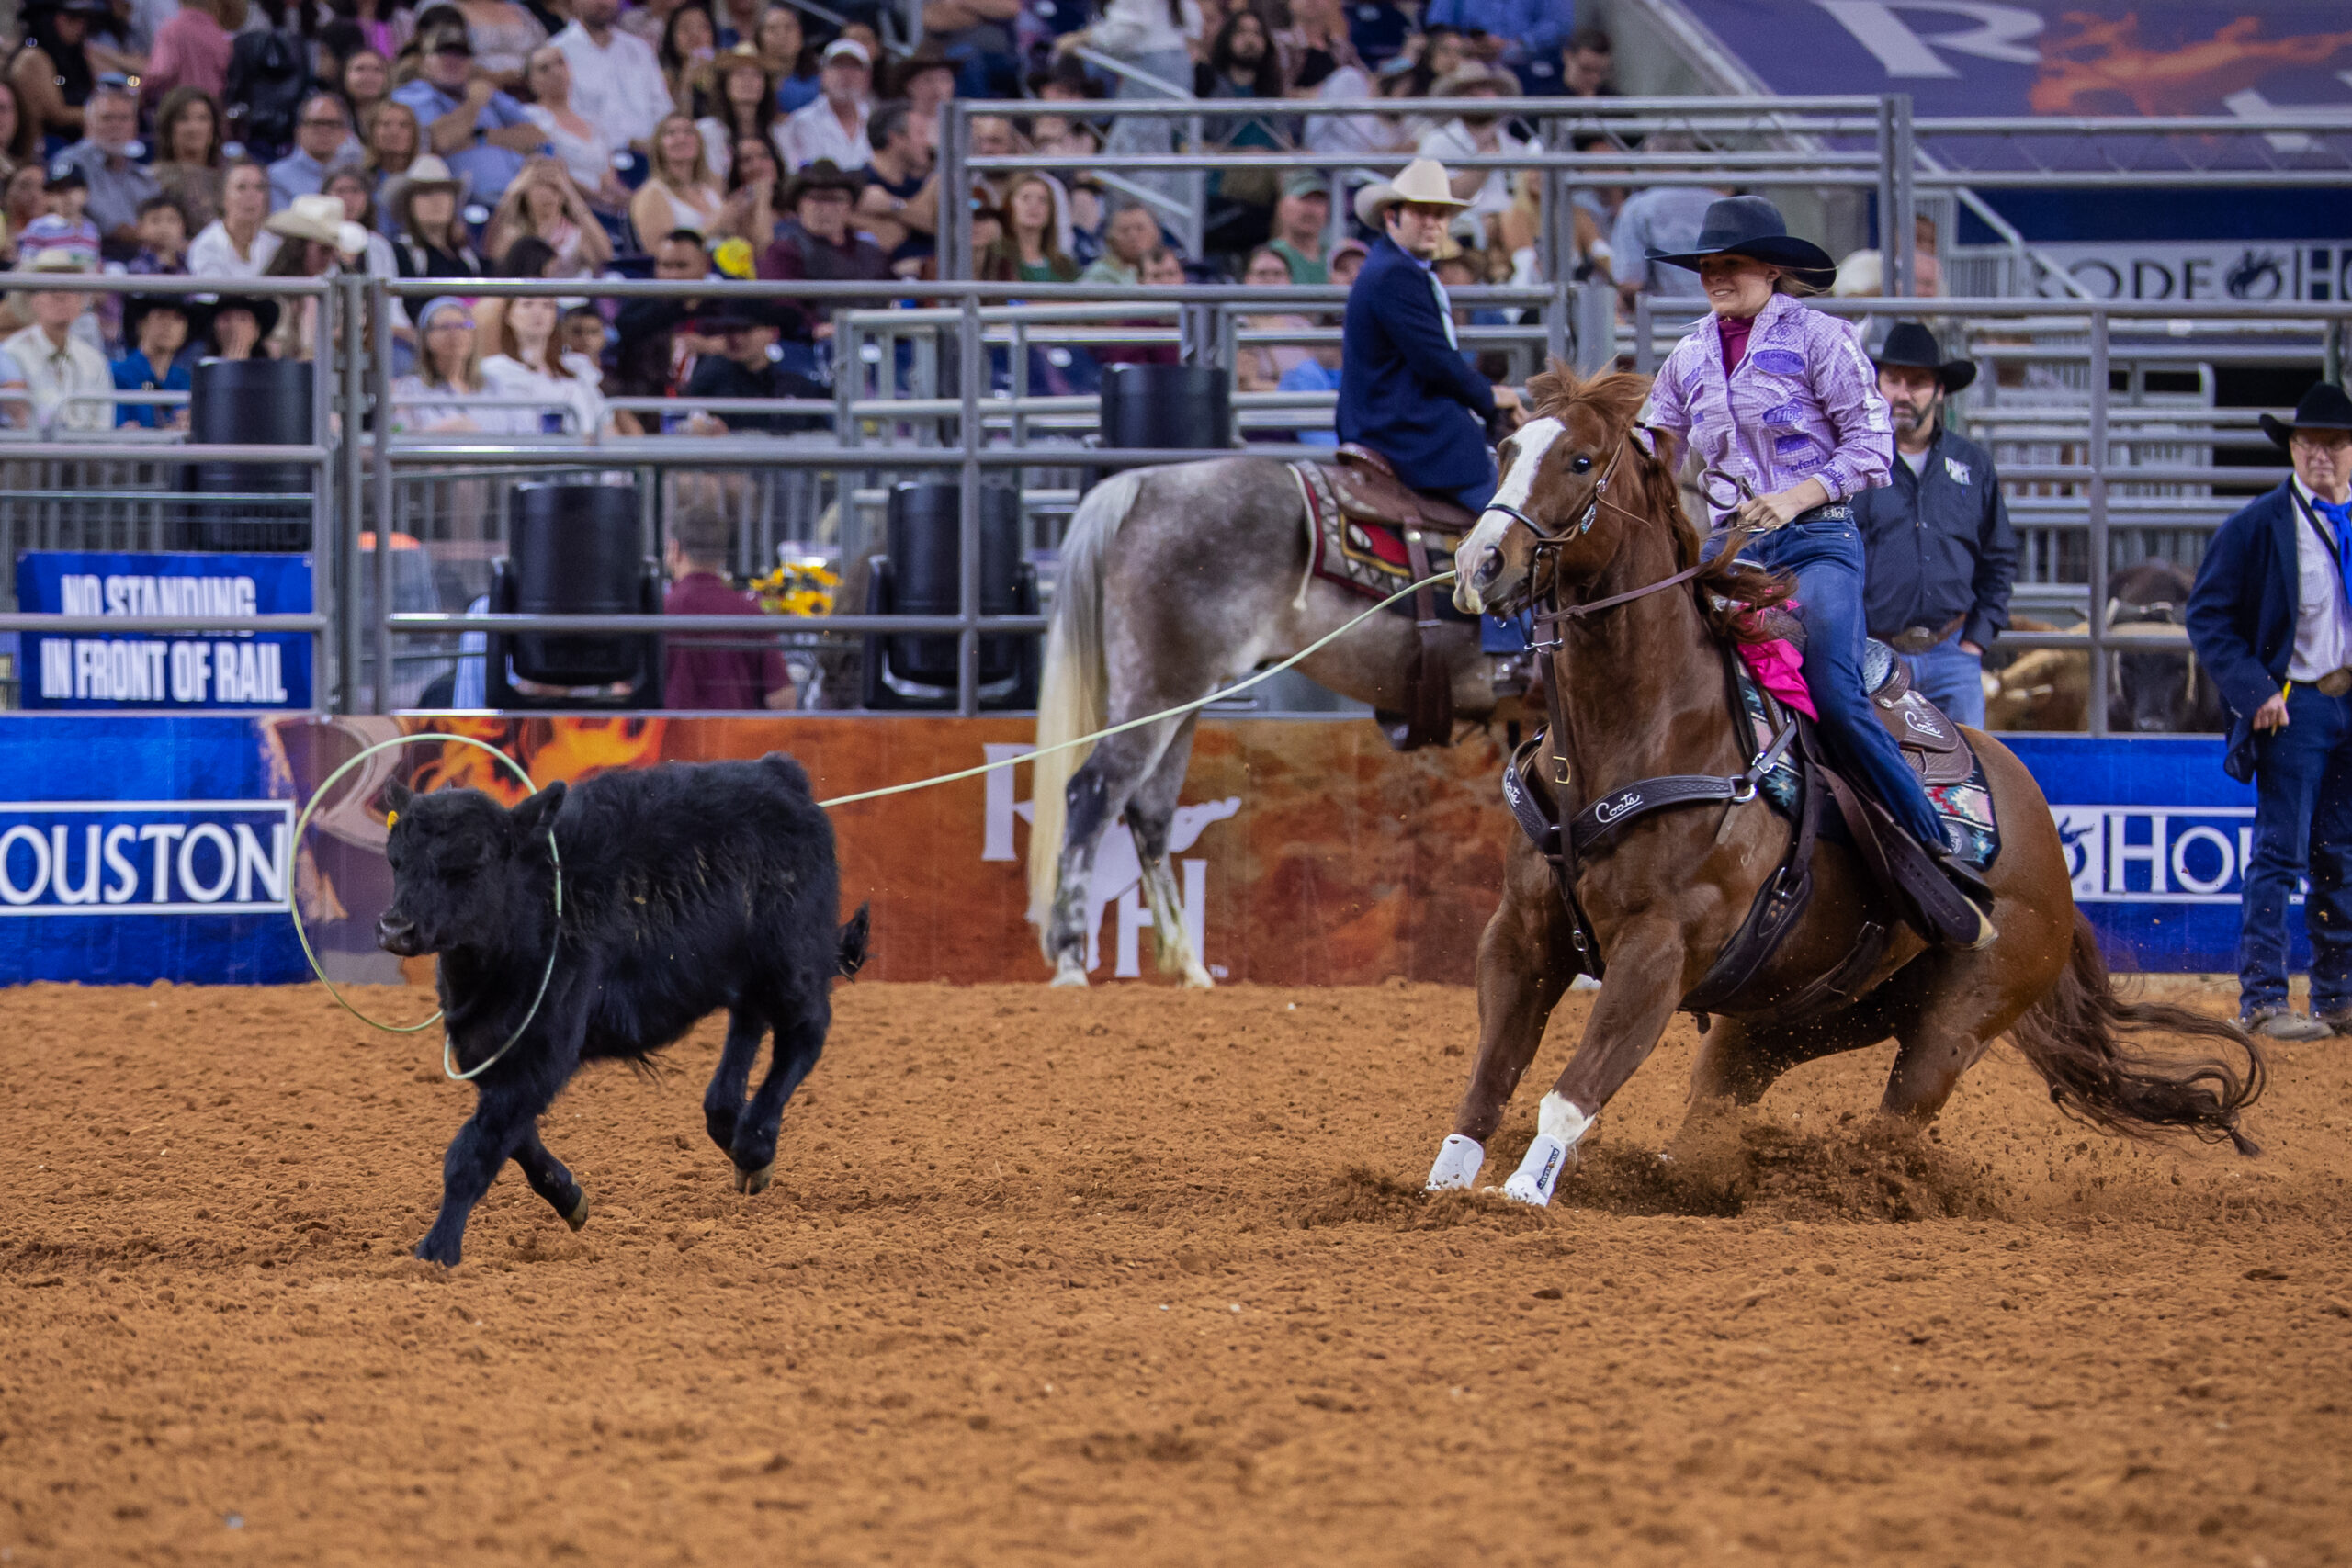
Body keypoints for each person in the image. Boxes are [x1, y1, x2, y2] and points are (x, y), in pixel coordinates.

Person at [1639, 194, 1994, 947]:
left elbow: (1873, 447)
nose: (1713, 276)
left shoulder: (1822, 339)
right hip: (1728, 547)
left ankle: (1936, 848)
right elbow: (1651, 448)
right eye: (1706, 265)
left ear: (1772, 270)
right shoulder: (1689, 353)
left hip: (1816, 541)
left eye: (1728, 264)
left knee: (1834, 686)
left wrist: (1793, 496)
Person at [2186, 382, 2352, 1040]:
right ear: (2292, 447)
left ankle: (2337, 994)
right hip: (2296, 703)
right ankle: (2262, 998)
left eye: (2336, 444)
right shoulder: (2260, 525)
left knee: (2341, 852)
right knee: (2282, 853)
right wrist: (2255, 692)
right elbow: (2208, 614)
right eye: (2310, 443)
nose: (2322, 455)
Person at [1856, 321, 2016, 730]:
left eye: (1918, 382)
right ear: (1878, 385)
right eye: (1893, 379)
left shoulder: (1974, 464)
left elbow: (1999, 557)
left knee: (1970, 782)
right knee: (1871, 777)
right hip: (1875, 650)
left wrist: (1974, 641)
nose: (1903, 393)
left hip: (1953, 652)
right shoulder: (1854, 464)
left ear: (1940, 390)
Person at [1337, 158, 1498, 513]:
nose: (1432, 223)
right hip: (1402, 429)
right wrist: (1492, 399)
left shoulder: (1393, 267)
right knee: (1508, 513)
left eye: (1440, 214)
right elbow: (1436, 362)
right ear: (1392, 216)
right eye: (1421, 212)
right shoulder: (1396, 274)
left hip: (1391, 419)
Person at [390, 15, 538, 207]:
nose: (453, 60)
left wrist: (480, 137)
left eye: (462, 53)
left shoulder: (490, 94)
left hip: (514, 199)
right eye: (443, 52)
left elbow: (537, 137)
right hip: (462, 205)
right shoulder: (413, 95)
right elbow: (437, 140)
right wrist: (474, 104)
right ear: (424, 61)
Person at [662, 503, 795, 710]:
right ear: (722, 555)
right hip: (736, 739)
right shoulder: (750, 615)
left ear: (675, 549)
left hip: (668, 739)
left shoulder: (659, 613)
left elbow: (625, 692)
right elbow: (782, 700)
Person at [757, 160, 888, 344]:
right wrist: (814, 328)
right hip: (812, 347)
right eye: (816, 198)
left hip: (875, 341)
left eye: (835, 199)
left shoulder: (871, 252)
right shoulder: (784, 251)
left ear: (849, 206)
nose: (825, 208)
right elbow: (782, 303)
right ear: (799, 204)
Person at [1609, 143, 1728, 310]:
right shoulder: (1723, 205)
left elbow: (1630, 283)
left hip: (1662, 327)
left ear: (1650, 160)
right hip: (1721, 324)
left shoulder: (1637, 208)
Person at [1416, 62, 1534, 230]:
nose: (1477, 94)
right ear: (1455, 98)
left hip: (1516, 227)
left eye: (1485, 88)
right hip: (1460, 232)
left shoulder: (1515, 147)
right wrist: (1484, 162)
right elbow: (1439, 202)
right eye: (1468, 90)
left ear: (1498, 95)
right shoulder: (1437, 142)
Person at [5, 250, 110, 432]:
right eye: (50, 287)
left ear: (80, 301)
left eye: (69, 286)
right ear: (33, 300)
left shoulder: (95, 361)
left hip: (84, 457)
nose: (61, 295)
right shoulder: (11, 354)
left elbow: (103, 428)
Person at [549, 0, 673, 154]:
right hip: (593, 159)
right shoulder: (556, 53)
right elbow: (563, 118)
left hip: (651, 155)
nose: (603, 2)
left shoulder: (639, 49)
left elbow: (662, 108)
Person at [520, 45, 629, 211]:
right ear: (531, 82)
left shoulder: (592, 120)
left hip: (604, 207)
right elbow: (547, 170)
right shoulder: (531, 118)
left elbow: (609, 179)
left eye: (560, 63)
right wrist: (595, 198)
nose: (556, 72)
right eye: (544, 69)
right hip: (562, 206)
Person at [481, 289, 605, 436]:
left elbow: (606, 428)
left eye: (547, 306)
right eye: (527, 304)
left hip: (583, 456)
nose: (538, 312)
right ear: (508, 315)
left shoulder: (577, 368)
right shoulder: (492, 371)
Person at [51, 85, 155, 258]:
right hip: (88, 258)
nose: (116, 125)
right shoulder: (70, 163)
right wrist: (129, 232)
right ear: (88, 125)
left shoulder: (145, 177)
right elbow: (62, 215)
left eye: (124, 119)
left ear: (135, 126)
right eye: (107, 118)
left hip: (141, 263)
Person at [384, 152, 481, 321]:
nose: (437, 200)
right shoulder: (400, 252)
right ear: (409, 203)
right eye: (426, 193)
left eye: (444, 192)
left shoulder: (467, 256)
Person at [484, 155, 609, 274]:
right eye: (539, 185)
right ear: (525, 191)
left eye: (554, 187)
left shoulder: (576, 235)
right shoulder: (513, 234)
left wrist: (571, 193)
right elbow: (490, 254)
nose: (547, 194)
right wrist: (512, 192)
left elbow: (604, 255)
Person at [9, 0, 104, 150]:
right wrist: (104, 114)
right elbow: (58, 114)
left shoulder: (76, 55)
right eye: (72, 17)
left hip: (78, 142)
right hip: (47, 147)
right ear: (49, 19)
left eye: (84, 18)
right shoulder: (33, 56)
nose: (81, 25)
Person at [854, 99, 936, 270]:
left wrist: (891, 205)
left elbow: (935, 223)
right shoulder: (855, 184)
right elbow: (887, 237)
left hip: (930, 286)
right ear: (895, 138)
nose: (927, 143)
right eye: (920, 133)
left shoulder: (922, 185)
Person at [775, 37, 872, 172]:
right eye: (838, 66)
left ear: (867, 76)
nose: (846, 74)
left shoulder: (878, 121)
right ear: (823, 74)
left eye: (854, 67)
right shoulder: (800, 123)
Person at [629, 112, 725, 242]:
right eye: (671, 133)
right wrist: (716, 225)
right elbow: (658, 251)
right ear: (659, 145)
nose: (681, 138)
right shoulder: (652, 193)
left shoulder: (710, 188)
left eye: (689, 132)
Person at [112, 292, 198, 428]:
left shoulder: (186, 381)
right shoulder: (116, 374)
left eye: (178, 318)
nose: (169, 325)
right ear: (141, 323)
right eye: (161, 316)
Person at [693, 43, 777, 181]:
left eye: (756, 75)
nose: (748, 81)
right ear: (725, 82)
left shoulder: (778, 131)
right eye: (740, 74)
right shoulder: (708, 131)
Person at [977, 171, 1076, 284]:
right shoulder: (996, 261)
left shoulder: (1065, 265)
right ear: (1009, 204)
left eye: (1043, 200)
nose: (1034, 205)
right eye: (1025, 198)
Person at [187, 157, 280, 277]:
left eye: (259, 187)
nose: (251, 195)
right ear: (223, 197)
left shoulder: (274, 245)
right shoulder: (205, 247)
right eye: (241, 187)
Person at [267, 92, 362, 209]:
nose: (324, 130)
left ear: (345, 133)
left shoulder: (356, 176)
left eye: (332, 124)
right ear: (298, 131)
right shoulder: (276, 177)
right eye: (316, 123)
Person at [150, 85, 225, 231]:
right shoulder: (154, 178)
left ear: (213, 128)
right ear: (169, 127)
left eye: (203, 119)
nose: (194, 127)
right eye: (183, 119)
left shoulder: (229, 179)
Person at [143, 0, 239, 107]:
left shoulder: (172, 30)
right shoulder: (221, 36)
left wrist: (143, 98)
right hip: (210, 114)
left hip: (180, 113)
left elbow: (159, 73)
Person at [1265, 173, 1329, 284]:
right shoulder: (1267, 258)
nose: (1310, 209)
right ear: (1282, 206)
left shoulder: (1336, 258)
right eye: (1303, 199)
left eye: (1318, 201)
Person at [1079, 201, 1159, 287]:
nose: (1133, 236)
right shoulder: (1101, 274)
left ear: (1155, 232)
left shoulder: (1169, 267)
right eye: (1124, 230)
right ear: (1111, 238)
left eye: (1140, 228)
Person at [126, 193, 190, 274]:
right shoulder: (138, 266)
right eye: (155, 221)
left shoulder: (191, 261)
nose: (164, 227)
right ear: (140, 228)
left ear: (183, 226)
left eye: (172, 220)